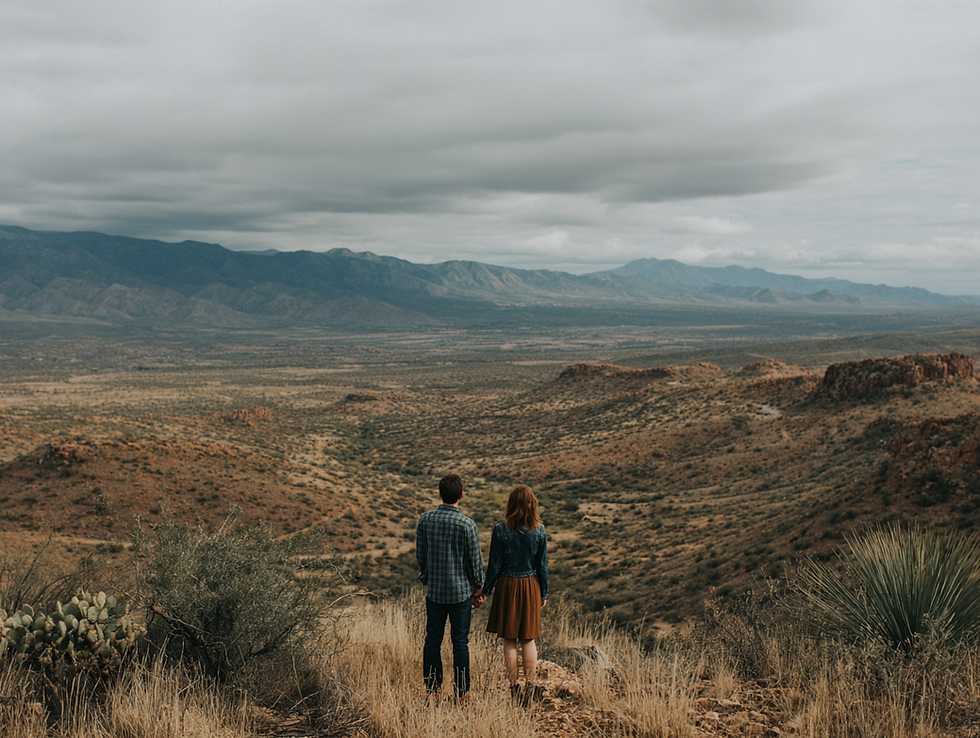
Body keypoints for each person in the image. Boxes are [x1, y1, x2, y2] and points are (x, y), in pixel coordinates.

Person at [416, 473, 484, 700]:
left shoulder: (425, 520)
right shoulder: (467, 524)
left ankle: (433, 691)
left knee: (432, 640)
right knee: (460, 642)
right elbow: (474, 562)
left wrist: (427, 577)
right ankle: (462, 693)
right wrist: (478, 589)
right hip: (460, 594)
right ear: (461, 495)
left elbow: (421, 555)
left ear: (439, 493)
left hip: (435, 591)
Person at [483, 484, 548, 692]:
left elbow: (494, 566)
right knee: (528, 638)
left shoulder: (500, 530)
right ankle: (530, 686)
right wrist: (544, 593)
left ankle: (514, 687)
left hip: (507, 585)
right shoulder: (539, 531)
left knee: (509, 639)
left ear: (510, 505)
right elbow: (542, 567)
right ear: (532, 505)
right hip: (530, 585)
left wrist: (485, 590)